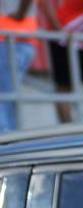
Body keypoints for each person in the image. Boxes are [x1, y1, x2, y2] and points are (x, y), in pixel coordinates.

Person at [0, 0, 36, 131]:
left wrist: (20, 14)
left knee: (5, 96)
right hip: (17, 39)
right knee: (8, 95)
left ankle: (7, 136)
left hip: (10, 39)